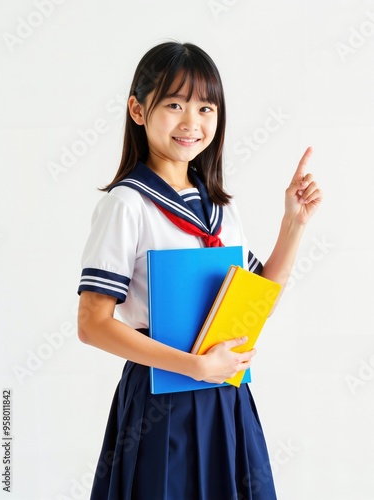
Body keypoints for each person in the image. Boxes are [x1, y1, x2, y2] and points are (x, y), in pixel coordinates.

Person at [77, 41, 322, 500]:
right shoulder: (127, 204)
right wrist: (195, 366)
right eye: (174, 105)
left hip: (227, 397)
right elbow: (91, 325)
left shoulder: (219, 208)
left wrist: (293, 224)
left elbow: (255, 305)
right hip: (159, 399)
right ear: (137, 109)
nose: (192, 123)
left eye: (206, 108)